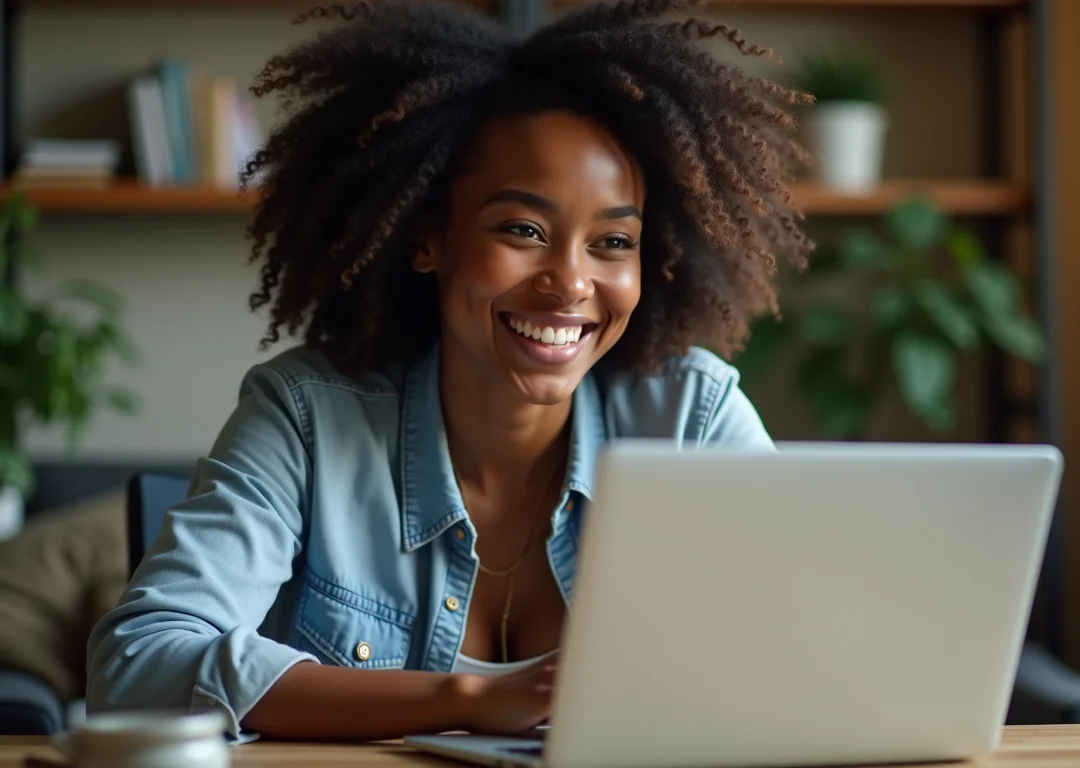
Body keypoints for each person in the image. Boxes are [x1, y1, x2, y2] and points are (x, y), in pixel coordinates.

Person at [86, 0, 813, 743]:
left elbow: (818, 652)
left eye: (612, 241)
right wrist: (463, 700)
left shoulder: (692, 417)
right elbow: (138, 663)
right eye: (523, 230)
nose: (570, 283)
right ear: (428, 237)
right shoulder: (306, 417)